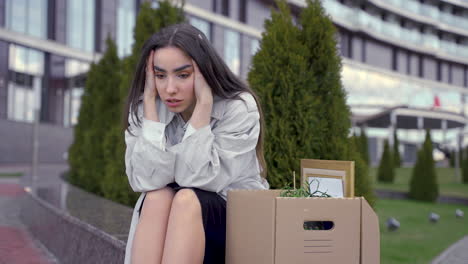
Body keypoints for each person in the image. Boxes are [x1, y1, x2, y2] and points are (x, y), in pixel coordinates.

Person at [123, 23, 269, 264]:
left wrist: (203, 107)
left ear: (204, 71)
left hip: (235, 223)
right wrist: (149, 105)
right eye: (160, 76)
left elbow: (201, 180)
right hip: (173, 219)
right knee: (157, 196)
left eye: (183, 75)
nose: (170, 89)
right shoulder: (146, 109)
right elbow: (143, 180)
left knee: (187, 199)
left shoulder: (239, 107)